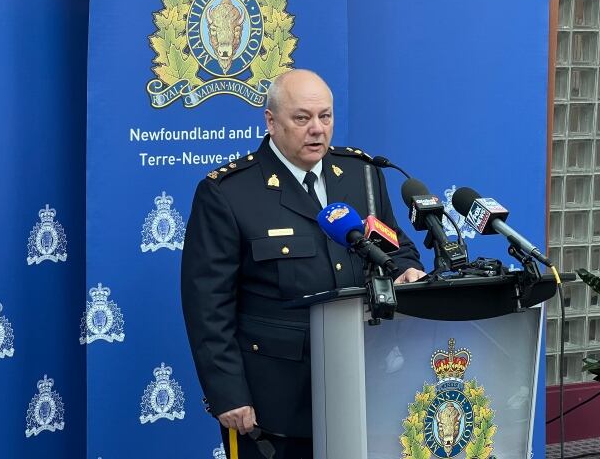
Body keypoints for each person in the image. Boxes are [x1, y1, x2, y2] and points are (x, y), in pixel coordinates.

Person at [181, 70, 425, 459]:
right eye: (302, 118)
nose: (317, 130)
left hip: (364, 382)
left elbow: (395, 247)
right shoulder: (228, 192)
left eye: (325, 117)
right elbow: (207, 305)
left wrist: (406, 270)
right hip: (275, 400)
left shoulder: (362, 175)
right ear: (271, 121)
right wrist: (228, 392)